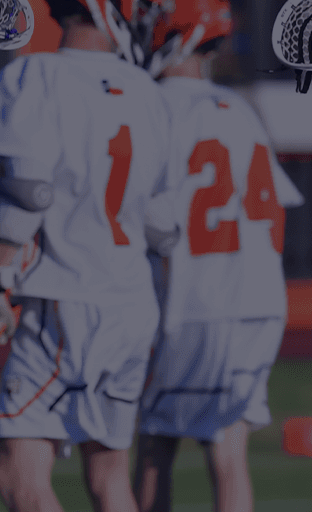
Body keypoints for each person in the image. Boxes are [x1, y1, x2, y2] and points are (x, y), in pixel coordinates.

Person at [0, 1, 175, 511]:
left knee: (19, 472)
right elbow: (162, 227)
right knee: (109, 477)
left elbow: (29, 192)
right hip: (131, 301)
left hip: (67, 296)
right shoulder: (146, 90)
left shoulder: (37, 72)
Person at [131, 2, 306, 511]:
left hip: (195, 302)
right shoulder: (239, 111)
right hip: (256, 304)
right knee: (229, 454)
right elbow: (276, 213)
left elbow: (143, 215)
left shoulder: (154, 106)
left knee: (154, 449)